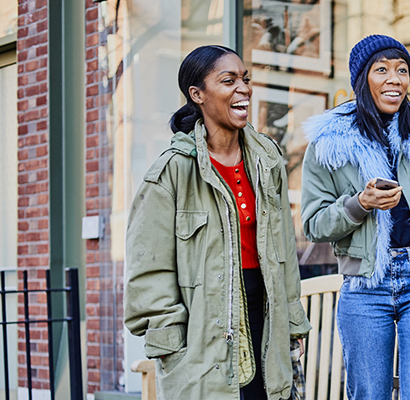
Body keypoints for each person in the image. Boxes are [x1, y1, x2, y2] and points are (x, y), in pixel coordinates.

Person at [124, 45, 310, 400]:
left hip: (265, 319)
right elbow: (148, 271)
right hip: (202, 328)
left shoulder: (267, 159)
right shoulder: (171, 171)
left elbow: (284, 247)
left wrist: (291, 319)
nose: (243, 88)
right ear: (197, 95)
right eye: (228, 80)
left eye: (245, 79)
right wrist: (172, 341)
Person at [300, 35, 410, 400]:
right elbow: (313, 224)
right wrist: (360, 204)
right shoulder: (329, 142)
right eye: (382, 69)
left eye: (402, 70)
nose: (394, 78)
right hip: (364, 285)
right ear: (362, 78)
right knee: (368, 393)